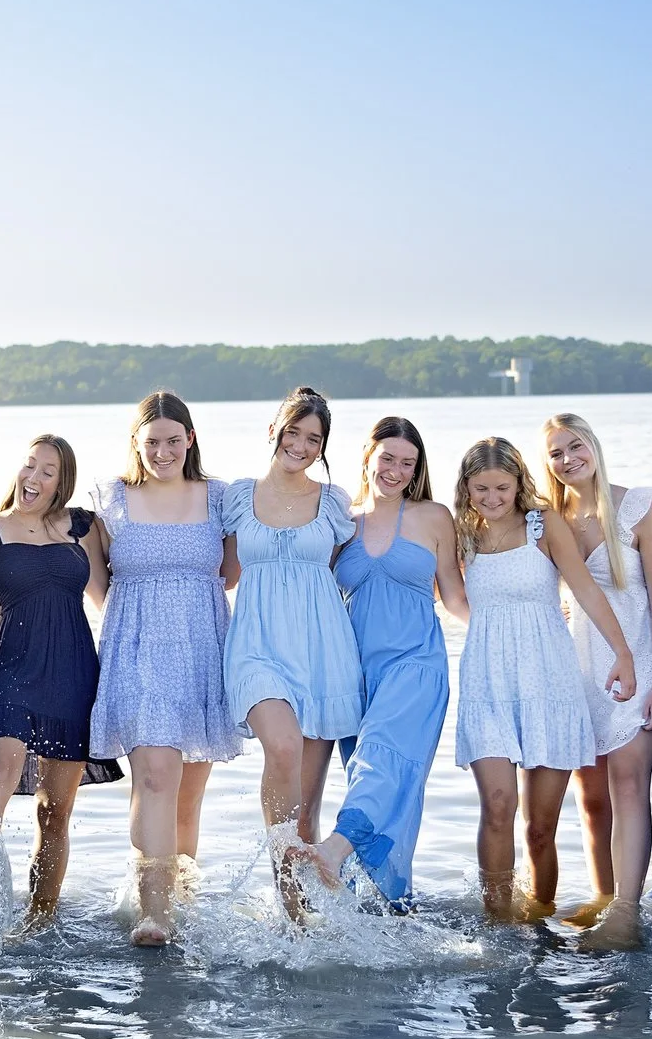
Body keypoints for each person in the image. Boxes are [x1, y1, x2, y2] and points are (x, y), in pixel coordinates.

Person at [449, 438, 638, 923]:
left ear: (518, 484)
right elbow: (450, 598)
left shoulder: (543, 525)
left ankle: (538, 919)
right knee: (496, 805)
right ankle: (497, 926)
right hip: (487, 683)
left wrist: (622, 652)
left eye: (501, 487)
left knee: (539, 828)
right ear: (466, 488)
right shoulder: (460, 533)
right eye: (480, 488)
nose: (491, 498)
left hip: (549, 682)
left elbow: (587, 590)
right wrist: (492, 628)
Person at [89, 391, 241, 946]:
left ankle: (180, 899)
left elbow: (228, 574)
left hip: (202, 650)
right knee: (154, 776)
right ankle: (154, 912)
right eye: (151, 442)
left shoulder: (220, 497)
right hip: (136, 651)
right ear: (136, 442)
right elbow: (98, 581)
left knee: (184, 797)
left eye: (173, 441)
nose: (163, 451)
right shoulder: (111, 499)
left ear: (190, 440)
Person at [297, 416, 465, 911]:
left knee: (383, 760)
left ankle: (333, 851)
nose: (395, 470)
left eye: (407, 463)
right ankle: (388, 905)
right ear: (368, 456)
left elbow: (455, 597)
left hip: (416, 663)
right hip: (354, 675)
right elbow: (316, 599)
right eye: (387, 458)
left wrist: (516, 629)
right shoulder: (339, 521)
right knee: (389, 785)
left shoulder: (433, 517)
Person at [220, 386, 366, 918]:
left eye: (314, 438)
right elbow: (225, 573)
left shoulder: (334, 502)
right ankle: (285, 884)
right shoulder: (236, 497)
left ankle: (307, 916)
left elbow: (350, 571)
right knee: (280, 747)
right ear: (274, 432)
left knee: (307, 809)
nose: (301, 445)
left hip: (323, 650)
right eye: (294, 432)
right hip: (256, 647)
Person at [537, 412, 652, 944]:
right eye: (556, 452)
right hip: (579, 669)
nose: (568, 458)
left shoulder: (637, 509)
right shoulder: (550, 518)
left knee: (627, 782)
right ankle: (603, 897)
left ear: (594, 447)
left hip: (640, 661)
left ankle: (626, 912)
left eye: (576, 446)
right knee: (591, 796)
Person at [0, 434, 120, 923]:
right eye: (29, 465)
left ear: (63, 482)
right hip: (13, 669)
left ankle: (41, 919)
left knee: (54, 813)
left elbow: (108, 601)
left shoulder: (83, 527)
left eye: (47, 471)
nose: (33, 478)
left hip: (74, 673)